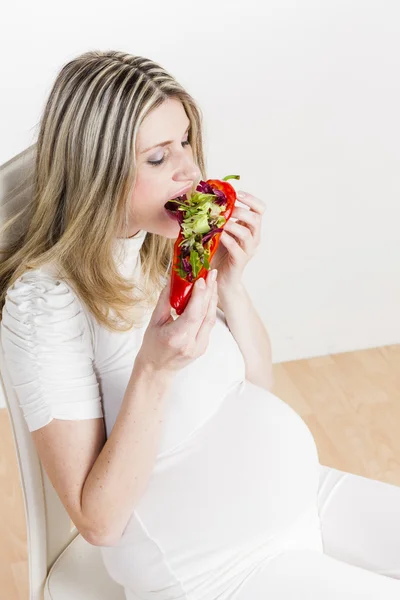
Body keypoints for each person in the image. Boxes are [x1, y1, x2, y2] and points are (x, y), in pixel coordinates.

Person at [1, 50, 400, 599]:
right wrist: (154, 371)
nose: (190, 170)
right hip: (219, 568)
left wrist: (231, 282)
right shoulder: (47, 304)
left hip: (304, 497)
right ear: (95, 170)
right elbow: (100, 522)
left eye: (185, 141)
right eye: (159, 157)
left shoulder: (158, 243)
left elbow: (252, 389)